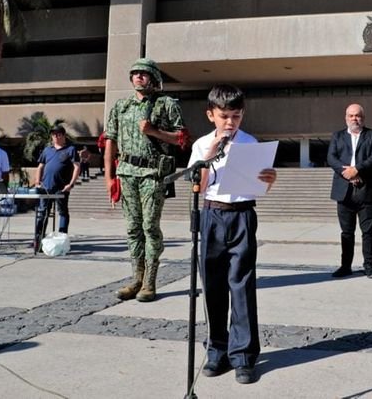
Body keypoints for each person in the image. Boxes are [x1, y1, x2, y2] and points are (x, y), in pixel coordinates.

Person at [187, 84, 277, 385]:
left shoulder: (250, 142)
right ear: (211, 114)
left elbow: (260, 183)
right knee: (212, 285)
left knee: (241, 284)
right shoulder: (201, 145)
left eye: (236, 116)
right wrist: (211, 154)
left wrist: (269, 178)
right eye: (224, 116)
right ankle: (217, 350)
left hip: (241, 215)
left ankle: (244, 356)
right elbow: (196, 184)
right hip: (212, 215)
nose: (230, 123)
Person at [105, 58, 189, 303]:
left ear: (153, 77)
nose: (139, 77)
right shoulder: (121, 106)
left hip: (153, 174)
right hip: (127, 172)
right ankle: (136, 278)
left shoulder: (166, 104)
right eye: (135, 73)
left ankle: (150, 281)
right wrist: (109, 177)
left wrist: (155, 132)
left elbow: (182, 139)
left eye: (144, 73)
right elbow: (109, 140)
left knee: (150, 228)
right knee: (133, 228)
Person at [327, 104, 372, 279]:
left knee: (368, 231)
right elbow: (331, 157)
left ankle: (369, 266)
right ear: (346, 118)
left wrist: (357, 169)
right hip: (344, 191)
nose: (354, 119)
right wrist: (348, 174)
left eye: (358, 116)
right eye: (351, 116)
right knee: (346, 232)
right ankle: (345, 266)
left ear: (363, 118)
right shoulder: (337, 136)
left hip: (366, 190)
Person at [34, 125, 81, 238]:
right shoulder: (47, 150)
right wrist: (37, 181)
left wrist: (71, 184)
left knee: (62, 212)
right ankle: (38, 239)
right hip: (46, 187)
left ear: (64, 136)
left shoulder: (71, 149)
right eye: (54, 134)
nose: (56, 137)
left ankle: (61, 237)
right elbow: (40, 167)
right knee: (42, 213)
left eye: (59, 134)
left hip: (61, 188)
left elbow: (77, 167)